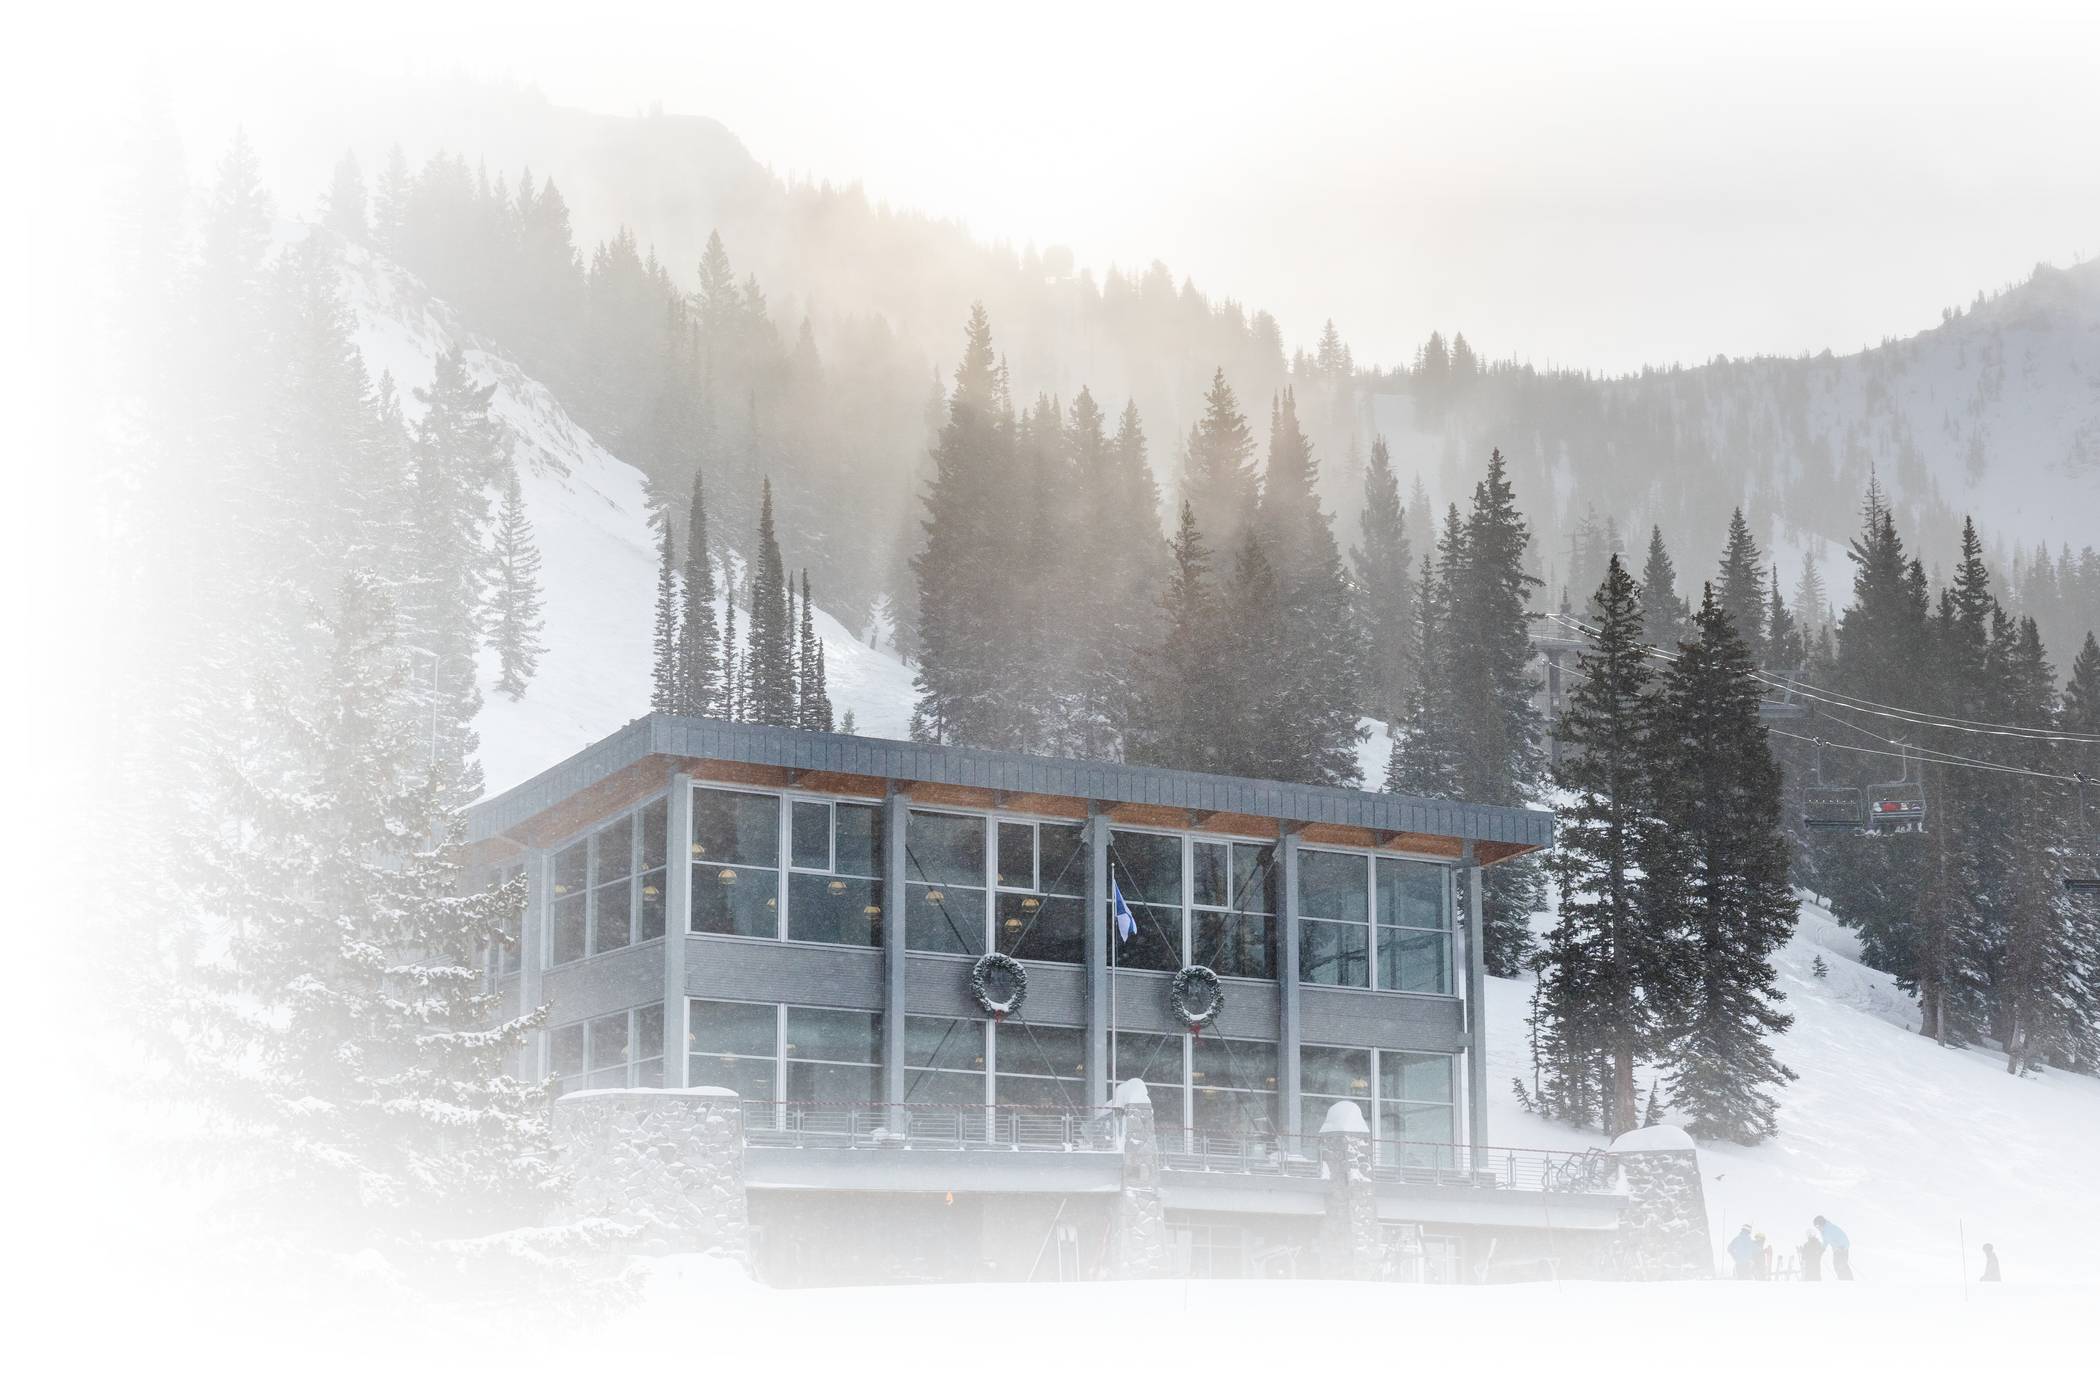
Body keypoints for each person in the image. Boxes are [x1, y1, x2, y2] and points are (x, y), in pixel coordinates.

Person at [1814, 1215, 1853, 1280]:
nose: (1817, 1228)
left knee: (1841, 1265)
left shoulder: (1830, 1228)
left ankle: (1849, 1280)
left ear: (1821, 1223)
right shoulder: (1823, 1231)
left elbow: (1843, 1238)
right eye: (1816, 1227)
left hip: (1842, 1249)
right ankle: (1842, 1279)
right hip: (1836, 1250)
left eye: (1817, 1226)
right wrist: (1822, 1249)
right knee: (1836, 1265)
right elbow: (1825, 1241)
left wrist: (1842, 1247)